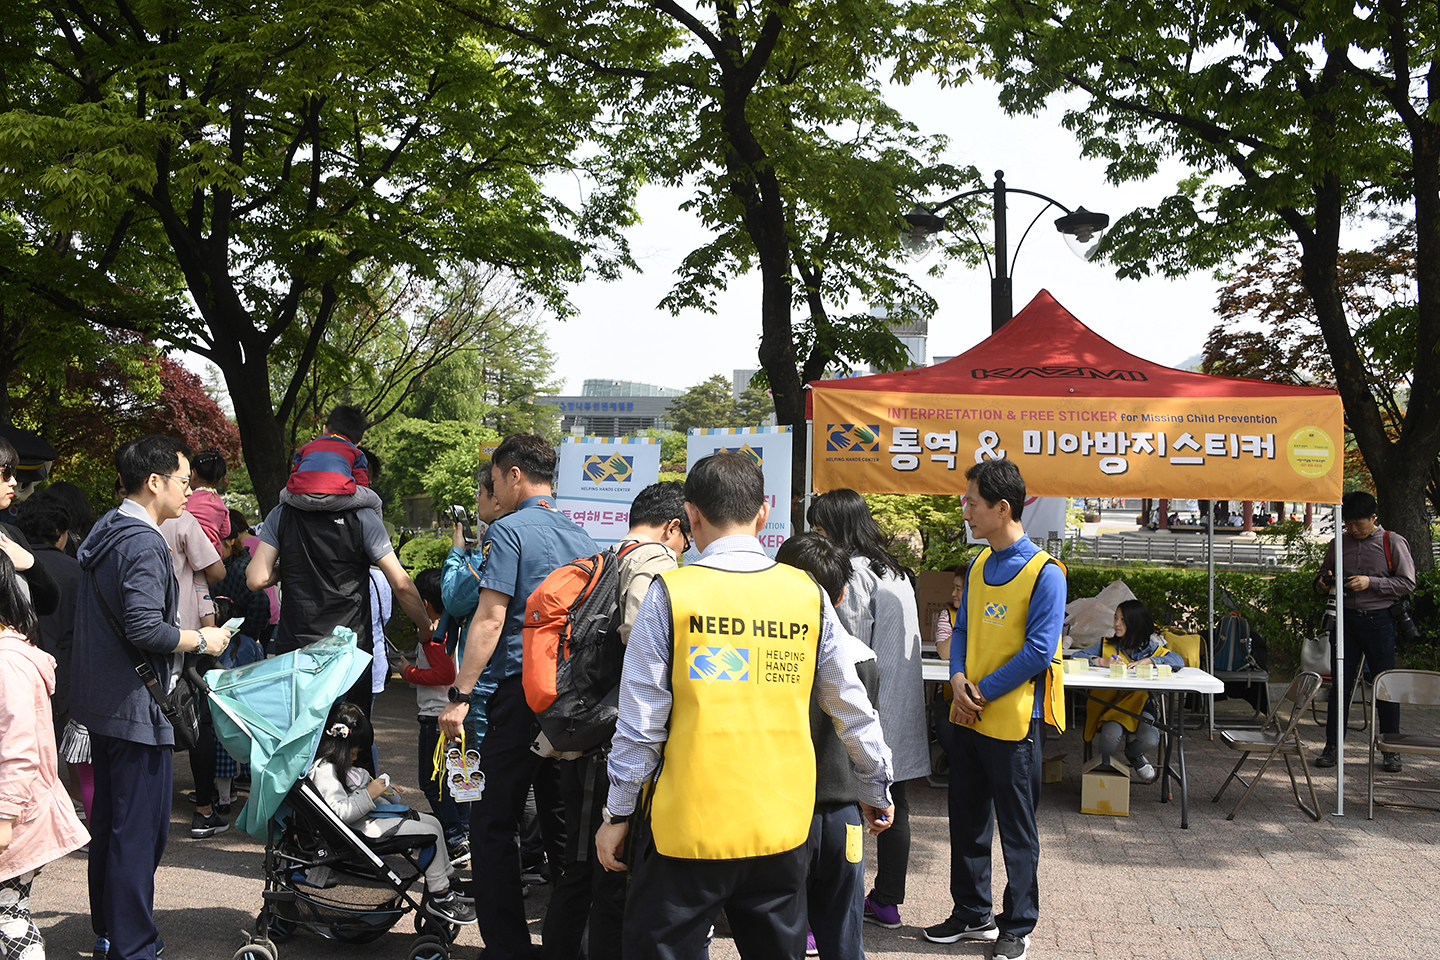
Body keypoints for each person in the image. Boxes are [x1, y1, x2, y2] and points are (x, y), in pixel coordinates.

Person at [594, 453, 894, 960]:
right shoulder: (806, 594)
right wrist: (874, 783)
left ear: (690, 515)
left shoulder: (671, 594)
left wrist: (617, 813)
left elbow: (641, 723)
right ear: (764, 511)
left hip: (686, 832)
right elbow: (851, 704)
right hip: (780, 827)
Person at [72, 436, 234, 960]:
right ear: (155, 482)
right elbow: (146, 626)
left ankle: (110, 932)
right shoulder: (142, 541)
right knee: (139, 835)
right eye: (185, 481)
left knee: (113, 827)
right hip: (137, 705)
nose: (190, 491)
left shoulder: (104, 530)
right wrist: (200, 639)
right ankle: (134, 944)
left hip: (104, 702)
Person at [438, 434, 597, 960]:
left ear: (513, 474)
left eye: (496, 479)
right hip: (570, 704)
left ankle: (506, 947)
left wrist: (460, 693)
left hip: (517, 696)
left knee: (491, 822)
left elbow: (489, 617)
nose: (495, 492)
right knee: (562, 824)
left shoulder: (506, 532)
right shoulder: (583, 537)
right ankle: (564, 944)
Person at [541, 481, 690, 960]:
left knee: (579, 868)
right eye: (684, 537)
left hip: (580, 730)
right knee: (609, 876)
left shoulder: (604, 557)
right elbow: (641, 638)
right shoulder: (652, 561)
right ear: (672, 527)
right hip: (612, 743)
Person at [925, 458, 1065, 960]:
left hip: (1011, 723)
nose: (965, 510)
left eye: (972, 502)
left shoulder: (1045, 573)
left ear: (1002, 508)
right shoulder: (980, 563)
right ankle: (971, 913)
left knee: (1017, 829)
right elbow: (960, 630)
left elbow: (1039, 651)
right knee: (966, 819)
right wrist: (957, 678)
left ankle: (1017, 924)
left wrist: (978, 690)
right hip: (968, 715)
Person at [249, 432, 431, 734]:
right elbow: (400, 583)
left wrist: (291, 567)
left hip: (297, 648)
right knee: (350, 739)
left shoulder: (282, 514)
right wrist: (424, 628)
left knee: (300, 737)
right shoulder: (363, 517)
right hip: (349, 652)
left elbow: (256, 578)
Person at [808, 488, 928, 930]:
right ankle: (888, 901)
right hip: (899, 703)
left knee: (853, 803)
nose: (817, 536)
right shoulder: (892, 569)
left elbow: (848, 645)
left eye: (820, 527)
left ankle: (843, 901)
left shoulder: (855, 573)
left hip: (868, 703)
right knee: (895, 802)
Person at [775, 532, 883, 960]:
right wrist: (877, 793)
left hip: (782, 815)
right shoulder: (862, 656)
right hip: (844, 818)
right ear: (840, 596)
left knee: (780, 938)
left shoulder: (766, 655)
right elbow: (866, 734)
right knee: (843, 938)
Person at [308, 703, 476, 925]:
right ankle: (440, 896)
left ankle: (449, 880)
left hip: (368, 820)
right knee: (430, 835)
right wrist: (369, 794)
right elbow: (338, 813)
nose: (355, 758)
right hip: (361, 829)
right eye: (354, 753)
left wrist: (378, 790)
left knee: (434, 823)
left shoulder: (335, 767)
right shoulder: (324, 771)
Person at [0, 549, 88, 959]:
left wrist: (3, 816)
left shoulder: (8, 663)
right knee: (10, 913)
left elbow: (18, 749)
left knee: (10, 915)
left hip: (13, 817)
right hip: (18, 811)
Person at [1315, 490, 1416, 772]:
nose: (1353, 529)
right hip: (1345, 620)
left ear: (1374, 517)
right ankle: (1333, 746)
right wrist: (1324, 582)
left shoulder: (1391, 542)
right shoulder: (1339, 543)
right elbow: (1323, 575)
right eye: (1348, 524)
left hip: (1379, 620)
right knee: (1341, 686)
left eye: (1359, 524)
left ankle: (1391, 749)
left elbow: (1407, 583)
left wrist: (1370, 582)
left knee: (1385, 685)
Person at [160, 484, 228, 839]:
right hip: (186, 637)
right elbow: (215, 574)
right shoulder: (184, 521)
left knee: (151, 717)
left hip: (144, 639)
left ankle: (149, 806)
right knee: (195, 720)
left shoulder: (127, 525)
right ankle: (204, 809)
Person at [1068, 600, 1182, 784]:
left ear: (1136, 623)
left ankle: (1133, 755)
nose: (1116, 624)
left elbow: (1178, 660)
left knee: (1151, 740)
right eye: (1115, 618)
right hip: (1110, 708)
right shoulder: (1106, 645)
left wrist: (1150, 662)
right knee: (1109, 737)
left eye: (1122, 619)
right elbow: (1076, 656)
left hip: (1141, 709)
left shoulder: (1152, 650)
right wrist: (1102, 662)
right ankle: (1102, 779)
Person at [401, 568, 470, 865]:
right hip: (460, 716)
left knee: (432, 783)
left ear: (425, 603)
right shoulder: (456, 627)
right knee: (458, 780)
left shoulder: (434, 637)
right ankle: (463, 833)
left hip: (436, 718)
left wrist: (407, 671)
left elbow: (445, 673)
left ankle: (455, 839)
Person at [280, 404, 383, 519]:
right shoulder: (356, 452)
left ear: (324, 429)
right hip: (336, 498)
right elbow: (362, 484)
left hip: (302, 498)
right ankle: (376, 530)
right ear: (358, 443)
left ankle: (284, 521)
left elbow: (294, 474)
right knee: (375, 501)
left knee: (283, 493)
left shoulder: (306, 447)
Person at [0, 437, 60, 618]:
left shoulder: (11, 534)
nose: (13, 482)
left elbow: (49, 603)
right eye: (6, 472)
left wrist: (31, 565)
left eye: (14, 473)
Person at [185, 448, 231, 553]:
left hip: (189, 552)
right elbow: (225, 532)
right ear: (220, 479)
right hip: (213, 554)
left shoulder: (186, 499)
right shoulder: (220, 502)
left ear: (192, 474)